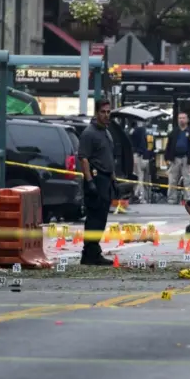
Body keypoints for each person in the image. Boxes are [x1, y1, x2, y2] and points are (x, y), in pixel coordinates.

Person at [78, 98, 118, 266]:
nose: (106, 115)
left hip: (106, 179)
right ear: (96, 113)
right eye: (103, 112)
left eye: (108, 112)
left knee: (101, 218)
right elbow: (84, 158)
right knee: (94, 218)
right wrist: (90, 182)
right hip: (95, 178)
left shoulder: (106, 132)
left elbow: (108, 157)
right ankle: (91, 253)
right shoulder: (90, 133)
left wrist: (113, 180)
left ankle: (91, 253)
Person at [165, 112, 190, 204]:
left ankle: (188, 199)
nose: (181, 120)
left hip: (187, 159)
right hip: (175, 159)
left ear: (187, 120)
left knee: (188, 180)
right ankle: (171, 199)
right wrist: (167, 157)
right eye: (179, 118)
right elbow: (169, 146)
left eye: (183, 118)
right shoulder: (174, 132)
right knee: (172, 179)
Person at [130, 120, 150, 203]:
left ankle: (138, 195)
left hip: (136, 155)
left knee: (138, 176)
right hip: (139, 155)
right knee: (140, 176)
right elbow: (143, 143)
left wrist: (138, 152)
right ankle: (139, 196)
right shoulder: (140, 130)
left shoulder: (135, 130)